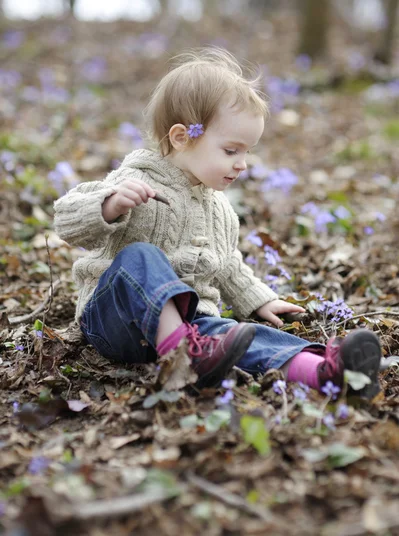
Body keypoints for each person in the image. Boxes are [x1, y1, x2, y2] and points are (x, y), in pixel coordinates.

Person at [53, 48, 381, 397]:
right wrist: (108, 205)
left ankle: (324, 373)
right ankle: (183, 351)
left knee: (244, 335)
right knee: (141, 257)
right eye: (231, 151)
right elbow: (66, 219)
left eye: (247, 152)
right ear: (182, 137)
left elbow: (227, 265)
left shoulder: (220, 209)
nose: (242, 164)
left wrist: (257, 300)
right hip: (115, 322)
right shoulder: (132, 180)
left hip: (194, 328)